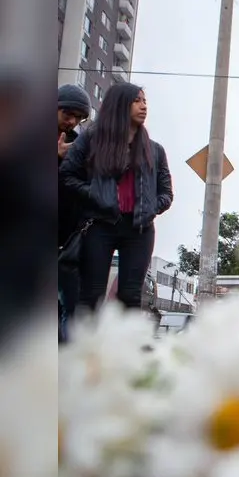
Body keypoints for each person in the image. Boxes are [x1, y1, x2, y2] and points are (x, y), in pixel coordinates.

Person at [59, 83, 173, 313]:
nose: (144, 106)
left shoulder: (155, 150)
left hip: (140, 229)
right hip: (100, 225)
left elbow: (167, 193)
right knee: (91, 295)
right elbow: (67, 175)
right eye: (137, 101)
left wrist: (152, 208)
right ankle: (85, 348)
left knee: (130, 297)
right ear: (121, 105)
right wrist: (95, 195)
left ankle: (122, 347)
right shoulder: (92, 140)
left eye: (145, 101)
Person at [57, 84, 92, 343]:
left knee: (72, 308)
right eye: (68, 114)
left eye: (79, 118)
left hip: (68, 240)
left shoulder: (79, 144)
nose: (72, 122)